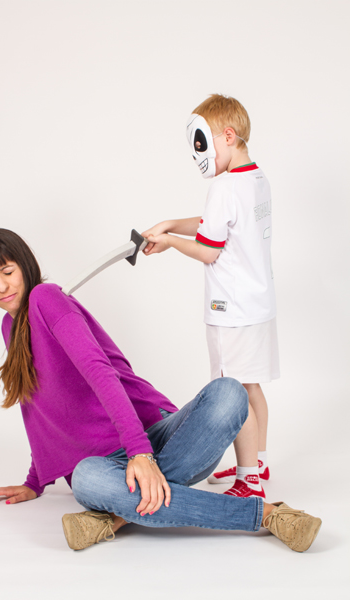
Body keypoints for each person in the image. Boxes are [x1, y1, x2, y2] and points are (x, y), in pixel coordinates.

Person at [0, 228, 320, 553]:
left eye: (8, 272)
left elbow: (99, 371)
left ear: (25, 266)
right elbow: (37, 406)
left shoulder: (45, 297)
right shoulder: (9, 327)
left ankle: (118, 513)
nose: (1, 286)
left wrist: (141, 453)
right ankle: (268, 515)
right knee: (86, 479)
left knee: (229, 392)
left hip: (158, 438)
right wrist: (34, 481)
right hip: (103, 465)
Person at [142, 94, 279, 498]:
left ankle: (249, 481)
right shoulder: (256, 179)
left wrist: (169, 241)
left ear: (228, 136)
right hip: (258, 305)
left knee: (232, 393)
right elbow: (216, 223)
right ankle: (258, 464)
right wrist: (171, 223)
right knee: (251, 387)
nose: (197, 156)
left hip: (230, 311)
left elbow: (208, 249)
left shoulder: (224, 186)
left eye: (201, 144)